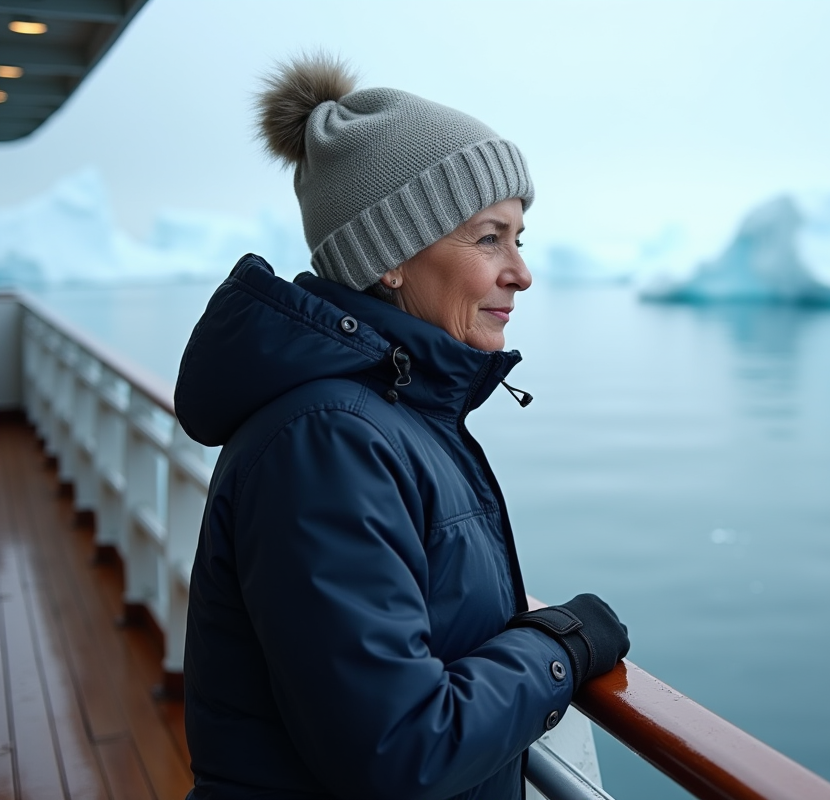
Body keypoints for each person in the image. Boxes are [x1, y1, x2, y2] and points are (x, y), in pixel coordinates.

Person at [174, 53, 630, 800]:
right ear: (390, 259)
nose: (520, 271)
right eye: (490, 238)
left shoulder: (390, 413)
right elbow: (397, 750)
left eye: (521, 237)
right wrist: (559, 647)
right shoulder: (327, 442)